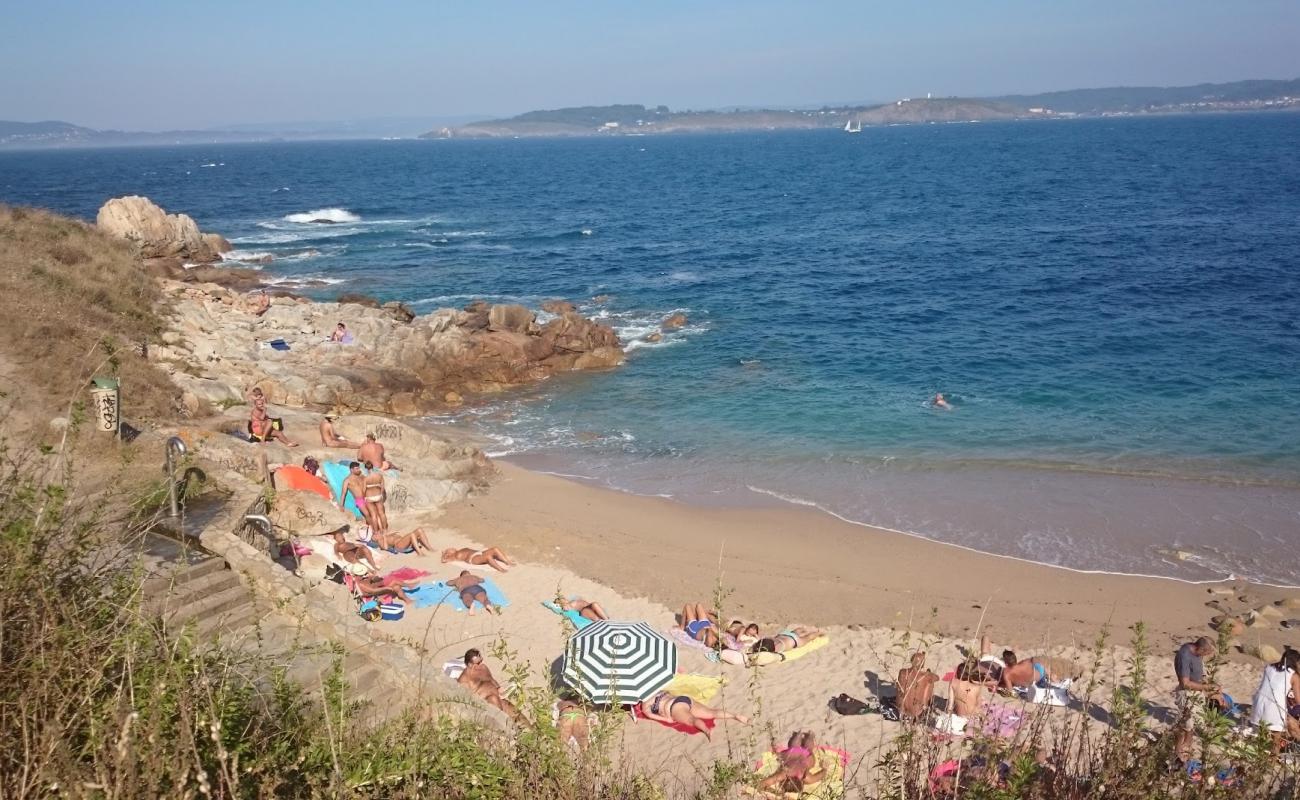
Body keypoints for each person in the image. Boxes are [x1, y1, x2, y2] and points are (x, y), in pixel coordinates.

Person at [1174, 637, 1222, 760]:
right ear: (1200, 649)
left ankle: (1186, 751)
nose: (1206, 656)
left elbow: (1200, 673)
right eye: (1206, 653)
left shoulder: (1197, 653)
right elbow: (1185, 683)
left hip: (1196, 691)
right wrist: (1206, 687)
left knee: (1193, 725)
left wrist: (1212, 691)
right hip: (1186, 693)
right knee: (1185, 725)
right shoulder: (1184, 655)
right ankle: (1178, 754)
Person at [637, 690, 748, 740]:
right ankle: (735, 716)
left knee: (692, 720)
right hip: (683, 699)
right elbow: (670, 694)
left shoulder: (645, 703)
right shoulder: (659, 689)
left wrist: (667, 719)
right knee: (711, 712)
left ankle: (707, 731)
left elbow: (649, 715)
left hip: (673, 708)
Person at [1248, 647, 1300, 753]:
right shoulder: (1293, 675)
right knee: (1276, 740)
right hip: (1273, 708)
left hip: (1258, 705)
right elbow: (1298, 700)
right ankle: (1273, 759)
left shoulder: (1269, 667)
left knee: (1263, 736)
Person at [458, 649, 523, 723]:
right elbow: (464, 701)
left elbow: (491, 679)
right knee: (505, 723)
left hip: (501, 699)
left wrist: (499, 688)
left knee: (522, 720)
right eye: (478, 663)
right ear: (470, 664)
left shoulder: (483, 668)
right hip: (490, 705)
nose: (481, 664)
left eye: (481, 661)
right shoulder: (464, 679)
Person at [758, 731, 823, 795]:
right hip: (795, 754)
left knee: (806, 748)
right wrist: (825, 769)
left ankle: (806, 735)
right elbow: (762, 784)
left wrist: (825, 769)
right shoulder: (785, 774)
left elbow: (819, 776)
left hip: (805, 755)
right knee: (795, 747)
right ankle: (806, 735)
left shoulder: (805, 777)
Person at [897, 651, 940, 721]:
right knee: (930, 683)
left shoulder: (902, 672)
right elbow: (937, 678)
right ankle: (924, 706)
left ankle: (904, 709)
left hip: (901, 710)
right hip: (917, 711)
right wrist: (928, 672)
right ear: (922, 664)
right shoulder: (925, 676)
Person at [339, 462, 378, 531]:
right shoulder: (347, 480)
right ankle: (374, 530)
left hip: (367, 497)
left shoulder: (361, 476)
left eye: (359, 468)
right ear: (351, 470)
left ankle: (371, 529)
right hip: (359, 500)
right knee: (367, 514)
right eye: (356, 468)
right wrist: (341, 505)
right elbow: (343, 493)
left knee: (373, 513)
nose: (359, 470)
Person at [752, 625, 823, 654]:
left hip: (792, 641)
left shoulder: (775, 649)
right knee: (796, 632)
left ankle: (819, 632)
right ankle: (804, 629)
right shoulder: (767, 640)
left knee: (808, 638)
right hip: (783, 635)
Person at [441, 545, 516, 573]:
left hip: (479, 553)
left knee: (495, 548)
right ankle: (500, 569)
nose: (450, 548)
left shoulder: (459, 550)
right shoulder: (455, 556)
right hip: (473, 559)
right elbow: (443, 560)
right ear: (448, 554)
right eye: (448, 550)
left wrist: (445, 552)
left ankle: (507, 562)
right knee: (488, 557)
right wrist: (444, 554)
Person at [362, 462, 388, 535]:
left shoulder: (366, 478)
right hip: (378, 496)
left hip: (369, 497)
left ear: (366, 468)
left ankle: (376, 531)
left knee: (373, 515)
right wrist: (380, 494)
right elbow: (382, 488)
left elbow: (364, 490)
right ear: (372, 466)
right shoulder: (379, 476)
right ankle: (385, 529)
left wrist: (363, 498)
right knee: (382, 513)